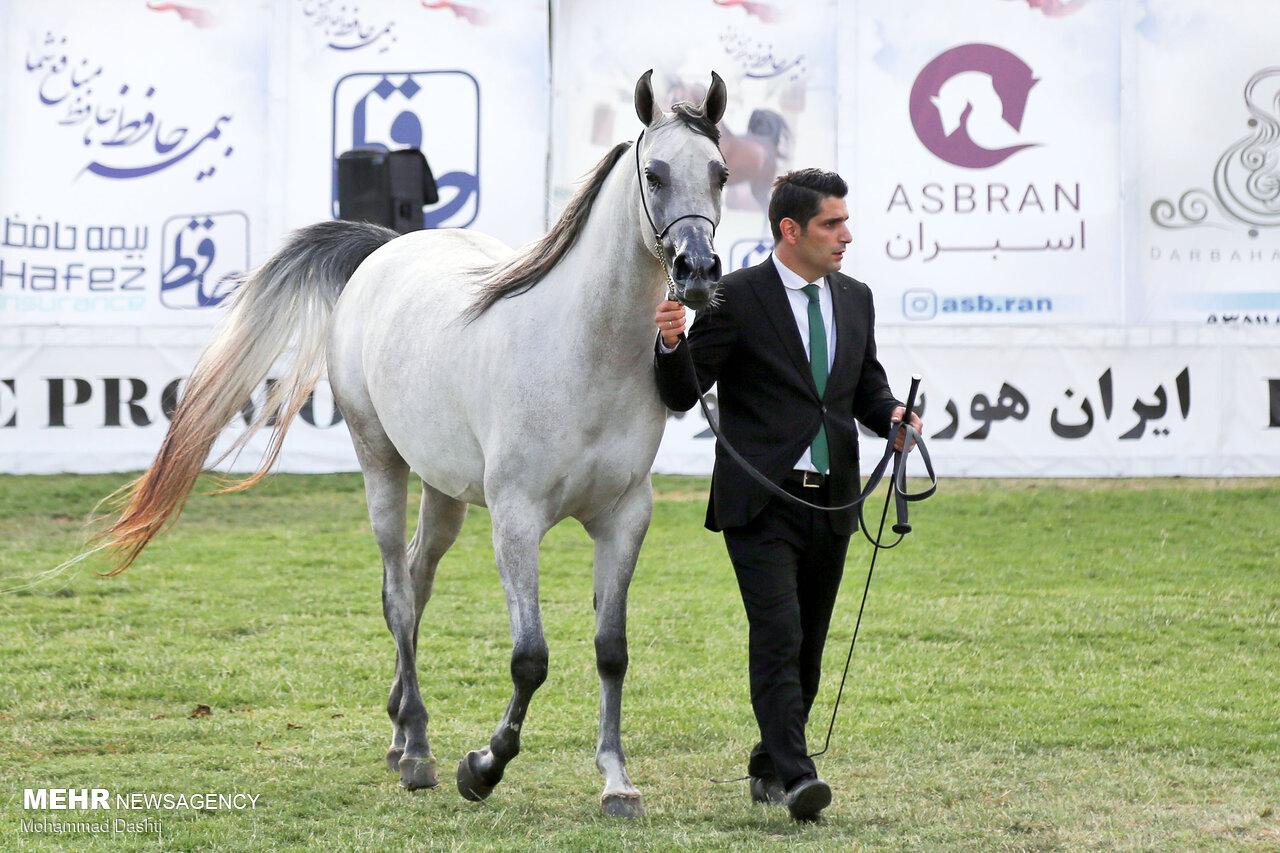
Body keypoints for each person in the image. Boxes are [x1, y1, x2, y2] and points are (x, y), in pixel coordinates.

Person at [652, 168, 922, 822]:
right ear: (790, 229)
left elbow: (866, 390)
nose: (845, 235)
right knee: (778, 633)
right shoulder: (732, 296)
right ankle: (800, 778)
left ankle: (770, 762)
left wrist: (892, 417)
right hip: (760, 500)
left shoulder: (855, 298)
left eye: (845, 221)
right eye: (832, 224)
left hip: (832, 500)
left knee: (807, 646)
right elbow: (683, 392)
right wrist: (670, 344)